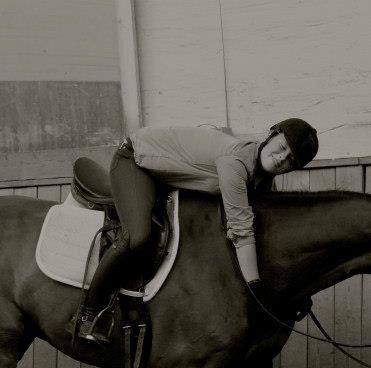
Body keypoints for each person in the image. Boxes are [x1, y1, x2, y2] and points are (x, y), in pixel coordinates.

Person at [75, 118, 319, 344]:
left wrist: (297, 293)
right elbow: (243, 233)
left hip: (167, 172)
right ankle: (89, 312)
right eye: (283, 146)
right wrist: (254, 290)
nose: (281, 158)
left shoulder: (262, 180)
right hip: (135, 159)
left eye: (291, 160)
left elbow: (266, 237)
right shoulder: (236, 163)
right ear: (272, 133)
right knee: (138, 237)